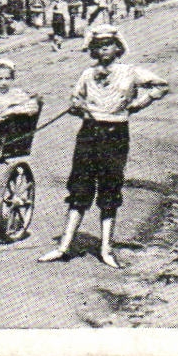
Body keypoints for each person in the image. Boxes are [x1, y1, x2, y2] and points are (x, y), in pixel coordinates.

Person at [40, 25, 169, 269]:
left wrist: (139, 103)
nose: (103, 49)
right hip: (89, 132)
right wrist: (79, 106)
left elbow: (160, 86)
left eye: (108, 44)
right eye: (98, 46)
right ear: (93, 50)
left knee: (110, 186)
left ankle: (106, 249)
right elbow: (76, 97)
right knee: (80, 186)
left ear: (118, 47)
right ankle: (64, 246)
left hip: (115, 133)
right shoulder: (87, 74)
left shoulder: (130, 71)